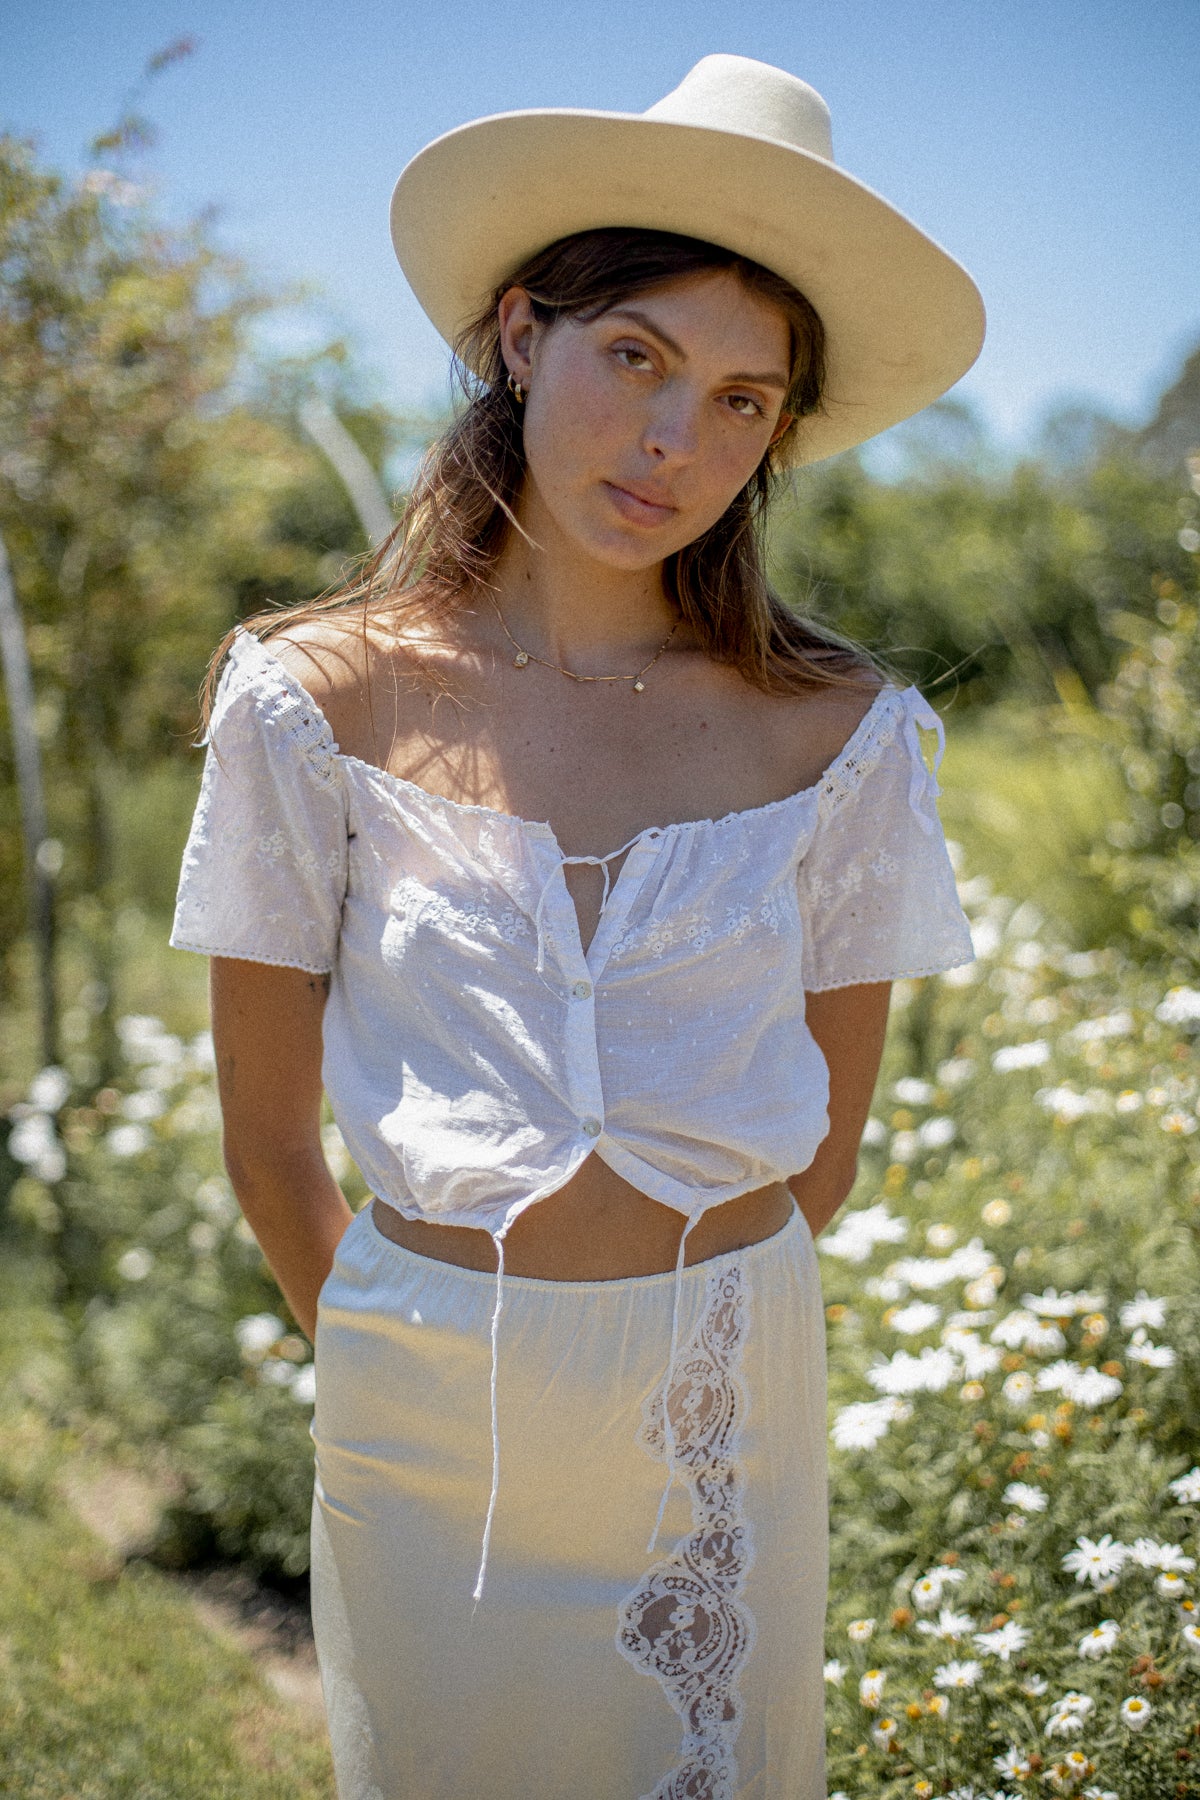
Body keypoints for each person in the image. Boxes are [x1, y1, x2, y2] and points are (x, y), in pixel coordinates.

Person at [170, 53, 983, 1800]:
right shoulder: (318, 702)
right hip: (421, 1412)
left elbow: (823, 1153)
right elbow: (266, 1138)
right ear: (523, 336)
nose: (679, 440)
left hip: (720, 1401)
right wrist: (417, 1342)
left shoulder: (837, 739)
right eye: (639, 357)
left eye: (745, 399)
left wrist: (670, 1352)